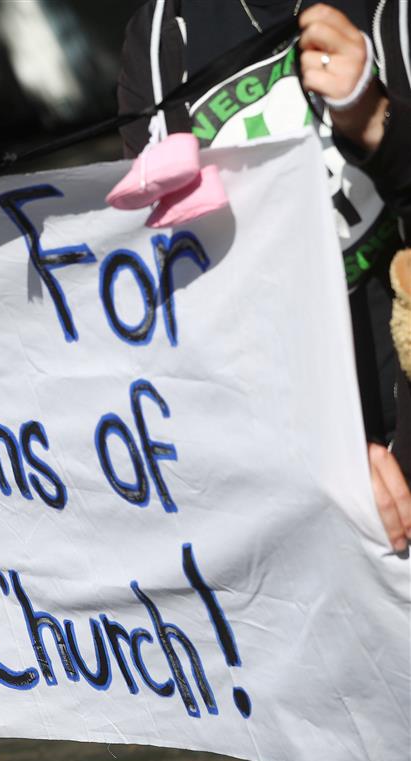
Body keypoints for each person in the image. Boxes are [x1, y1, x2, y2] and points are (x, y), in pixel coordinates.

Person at [117, 0, 411, 552]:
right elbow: (195, 313)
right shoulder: (160, 41)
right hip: (308, 497)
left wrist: (374, 120)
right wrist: (321, 455)